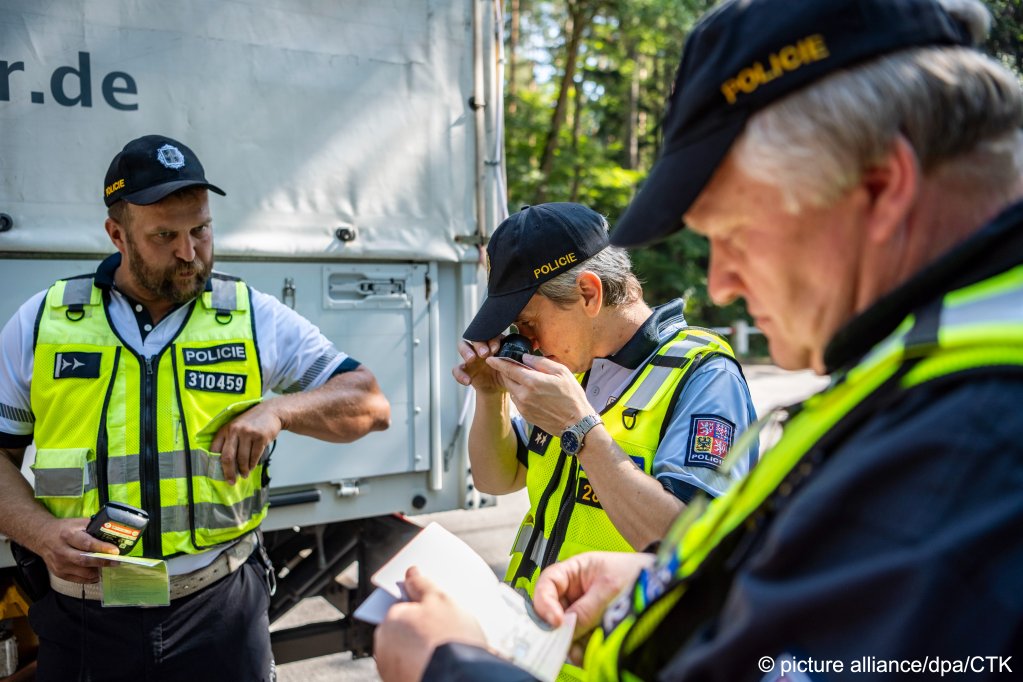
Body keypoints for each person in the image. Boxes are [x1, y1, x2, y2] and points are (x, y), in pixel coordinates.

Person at [373, 0, 1023, 679]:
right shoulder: (924, 377)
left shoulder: (972, 432)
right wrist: (675, 592)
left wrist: (446, 667)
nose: (719, 284)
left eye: (734, 230)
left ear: (882, 187)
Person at [0, 134, 391, 681]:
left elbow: (369, 402)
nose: (190, 252)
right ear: (117, 234)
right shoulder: (44, 323)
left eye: (200, 230)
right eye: (164, 236)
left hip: (220, 610)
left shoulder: (251, 315)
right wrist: (42, 536)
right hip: (86, 613)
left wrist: (280, 411)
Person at [454, 203, 757, 598]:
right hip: (538, 641)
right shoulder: (570, 366)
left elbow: (691, 546)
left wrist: (580, 429)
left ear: (588, 293)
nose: (526, 339)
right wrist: (490, 393)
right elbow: (495, 479)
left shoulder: (705, 375)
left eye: (528, 322)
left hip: (622, 653)